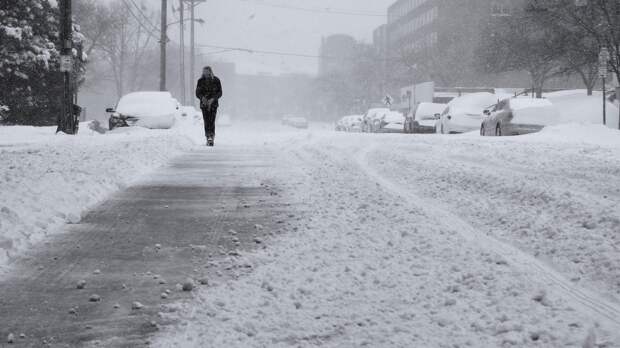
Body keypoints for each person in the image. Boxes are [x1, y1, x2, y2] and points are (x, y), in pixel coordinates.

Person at [195, 66, 223, 146]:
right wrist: (202, 98)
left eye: (207, 71)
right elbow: (197, 93)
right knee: (206, 121)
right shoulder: (200, 81)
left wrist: (213, 99)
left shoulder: (216, 80)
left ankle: (211, 136)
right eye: (204, 72)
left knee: (212, 120)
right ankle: (208, 137)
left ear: (210, 72)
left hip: (213, 104)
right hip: (204, 104)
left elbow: (220, 92)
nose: (206, 73)